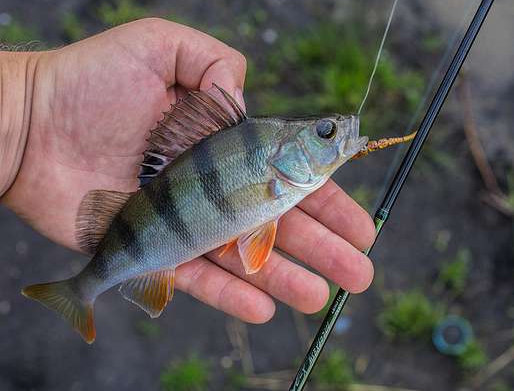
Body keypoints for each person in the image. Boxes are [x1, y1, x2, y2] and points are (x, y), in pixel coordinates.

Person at [0, 18, 375, 324]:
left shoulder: (274, 167)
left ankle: (81, 290)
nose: (337, 133)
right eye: (326, 132)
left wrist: (28, 108)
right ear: (286, 152)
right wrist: (28, 105)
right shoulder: (265, 157)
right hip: (143, 224)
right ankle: (80, 291)